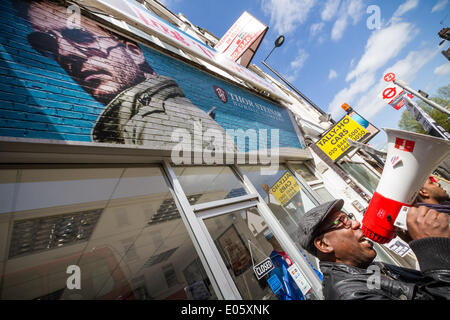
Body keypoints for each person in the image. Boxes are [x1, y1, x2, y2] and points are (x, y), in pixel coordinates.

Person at [14, 0, 231, 150]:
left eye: (79, 36)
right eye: (49, 46)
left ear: (135, 52)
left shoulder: (154, 119)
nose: (66, 54)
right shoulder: (142, 120)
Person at [297, 199, 450, 300]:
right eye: (342, 222)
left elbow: (423, 290)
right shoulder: (349, 295)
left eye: (349, 217)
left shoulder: (369, 269)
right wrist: (434, 248)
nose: (356, 223)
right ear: (324, 245)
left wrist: (419, 244)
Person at [264, 230, 322, 300]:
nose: (278, 240)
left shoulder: (292, 249)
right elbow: (279, 290)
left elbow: (308, 266)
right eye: (274, 238)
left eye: (278, 236)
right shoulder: (272, 262)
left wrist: (321, 280)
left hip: (317, 288)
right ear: (270, 241)